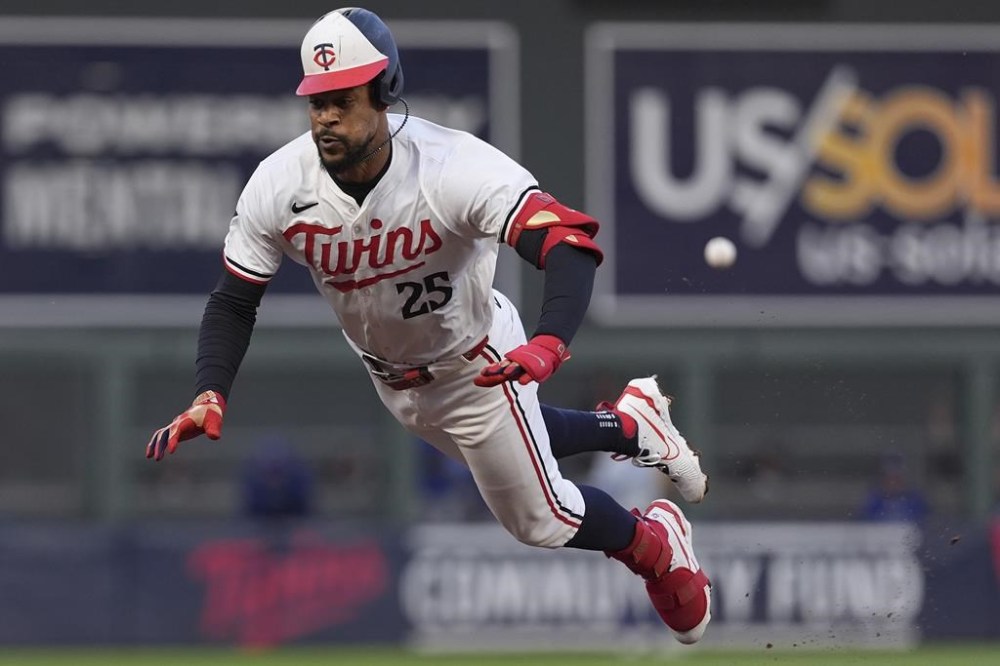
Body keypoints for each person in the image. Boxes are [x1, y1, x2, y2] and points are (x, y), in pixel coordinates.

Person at [146, 7, 711, 643]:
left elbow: (568, 244)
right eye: (316, 101)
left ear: (384, 92)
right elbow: (233, 300)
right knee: (518, 442)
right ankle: (631, 423)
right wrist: (210, 389)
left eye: (342, 98)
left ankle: (656, 545)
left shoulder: (451, 167)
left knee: (537, 516)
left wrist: (550, 346)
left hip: (479, 360)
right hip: (395, 381)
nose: (326, 115)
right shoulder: (280, 184)